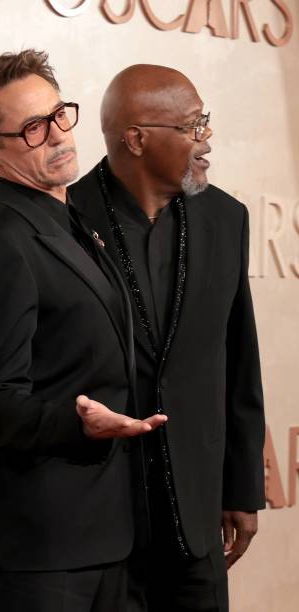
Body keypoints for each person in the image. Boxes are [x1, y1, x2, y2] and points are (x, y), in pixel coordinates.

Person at [0, 51, 166, 612]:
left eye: (57, 114)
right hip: (40, 550)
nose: (57, 135)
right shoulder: (0, 239)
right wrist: (80, 425)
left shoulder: (75, 225)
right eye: (31, 128)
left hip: (108, 537)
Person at [69, 64, 266, 612]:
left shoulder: (226, 218)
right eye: (193, 126)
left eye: (205, 121)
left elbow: (239, 359)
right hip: (94, 522)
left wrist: (241, 489)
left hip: (195, 517)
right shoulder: (62, 218)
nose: (207, 138)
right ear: (136, 139)